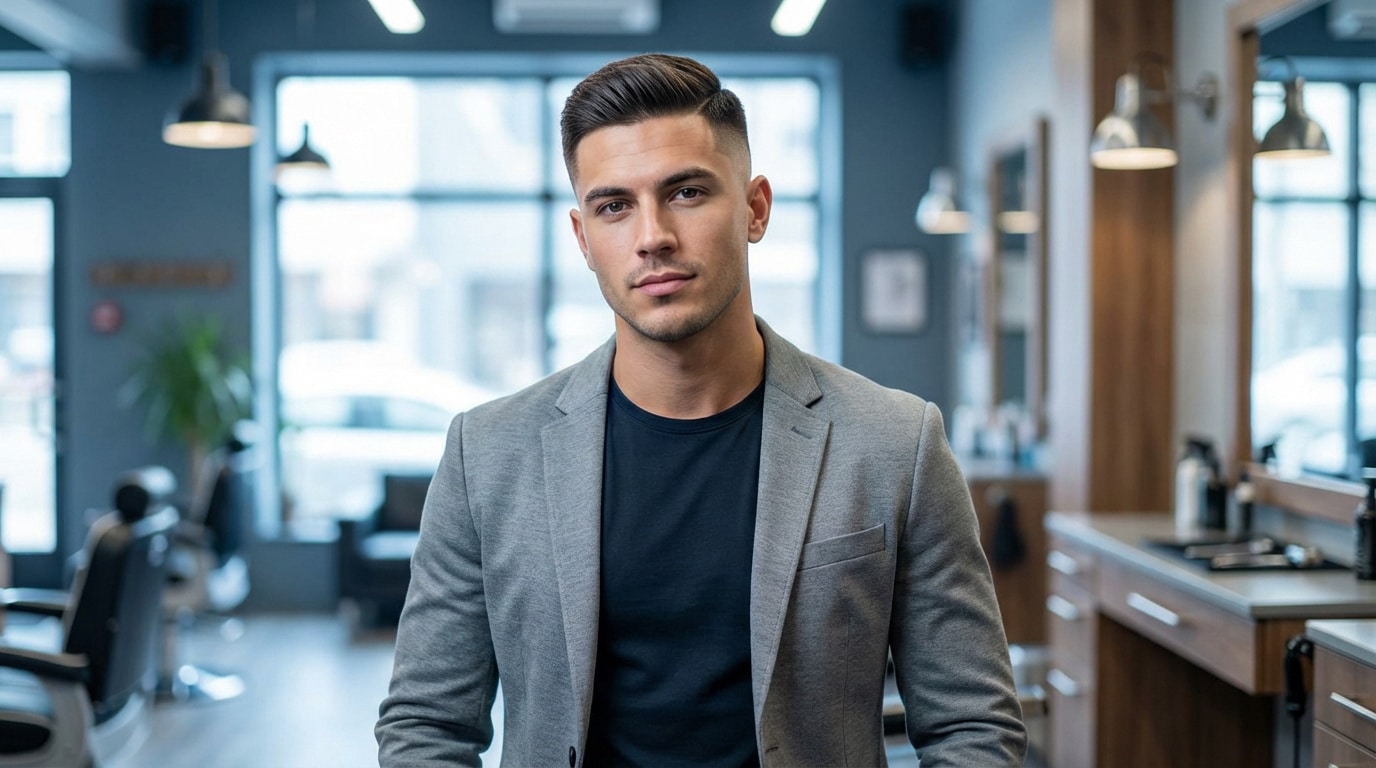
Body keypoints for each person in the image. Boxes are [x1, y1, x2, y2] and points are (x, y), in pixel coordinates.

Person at [376, 53, 1027, 767]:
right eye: (614, 206)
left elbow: (972, 726)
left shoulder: (895, 444)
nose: (652, 235)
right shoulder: (487, 453)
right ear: (584, 238)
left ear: (755, 209)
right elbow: (427, 724)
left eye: (686, 192)